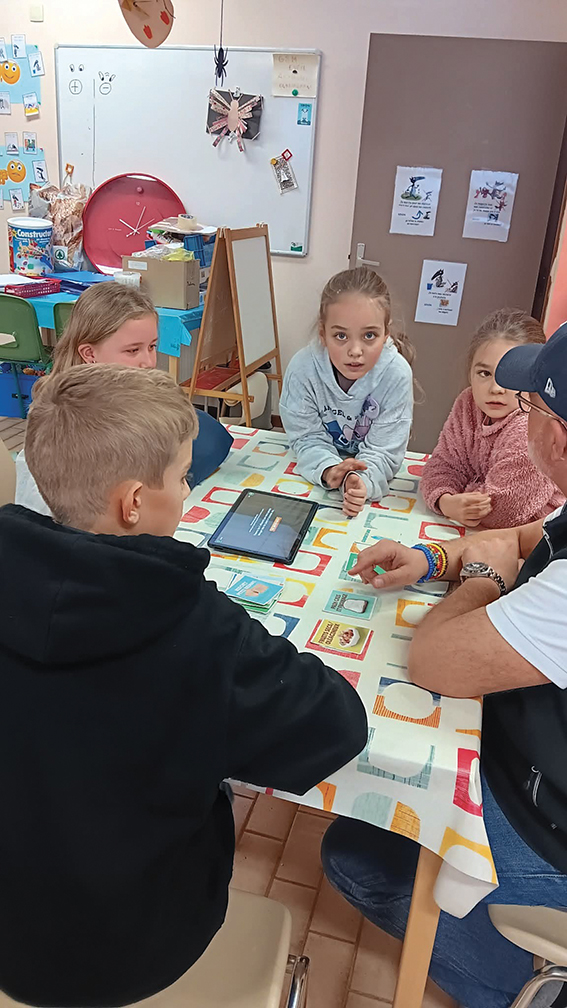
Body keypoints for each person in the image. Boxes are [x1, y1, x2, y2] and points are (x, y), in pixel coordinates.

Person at [0, 365, 367, 1008]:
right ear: (135, 502)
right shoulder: (193, 625)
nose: (188, 488)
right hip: (137, 947)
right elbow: (338, 722)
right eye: (181, 476)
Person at [321, 322, 567, 1008]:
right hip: (536, 759)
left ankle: (516, 989)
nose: (519, 415)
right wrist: (435, 558)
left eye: (534, 409)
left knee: (358, 855)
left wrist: (479, 578)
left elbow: (434, 660)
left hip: (551, 825)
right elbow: (520, 536)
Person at [14, 281, 232, 513]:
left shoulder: (136, 401)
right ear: (89, 353)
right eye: (132, 350)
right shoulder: (65, 423)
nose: (148, 363)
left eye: (152, 347)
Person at [280, 267, 414, 517]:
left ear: (386, 334)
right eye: (341, 335)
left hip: (369, 487)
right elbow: (305, 437)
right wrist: (330, 470)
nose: (355, 350)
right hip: (315, 479)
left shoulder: (396, 374)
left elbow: (385, 451)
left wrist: (362, 482)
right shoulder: (303, 369)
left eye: (369, 336)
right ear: (323, 333)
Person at [420, 309, 562, 528]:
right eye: (484, 374)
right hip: (478, 530)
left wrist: (462, 495)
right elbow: (441, 465)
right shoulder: (467, 403)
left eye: (510, 377)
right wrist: (446, 501)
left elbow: (502, 510)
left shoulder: (533, 422)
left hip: (537, 538)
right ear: (470, 373)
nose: (496, 388)